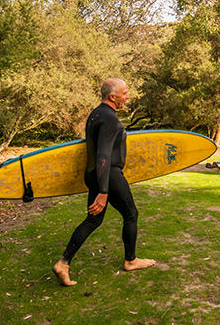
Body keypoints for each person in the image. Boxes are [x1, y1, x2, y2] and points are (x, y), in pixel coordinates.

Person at [52, 78, 155, 286]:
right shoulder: (110, 120)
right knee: (131, 213)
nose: (127, 97)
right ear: (112, 96)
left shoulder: (95, 114)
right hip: (108, 175)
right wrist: (104, 190)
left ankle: (63, 264)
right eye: (124, 93)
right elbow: (103, 156)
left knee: (93, 220)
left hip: (94, 174)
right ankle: (131, 260)